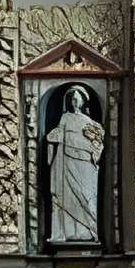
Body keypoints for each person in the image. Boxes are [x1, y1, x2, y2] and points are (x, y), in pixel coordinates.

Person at [46, 84, 105, 243]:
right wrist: (53, 139)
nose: (74, 101)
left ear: (83, 101)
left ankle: (88, 232)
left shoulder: (90, 123)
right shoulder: (64, 118)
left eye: (77, 98)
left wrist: (94, 150)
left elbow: (98, 145)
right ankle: (67, 233)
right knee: (66, 198)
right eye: (72, 98)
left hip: (85, 166)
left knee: (86, 197)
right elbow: (56, 135)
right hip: (67, 162)